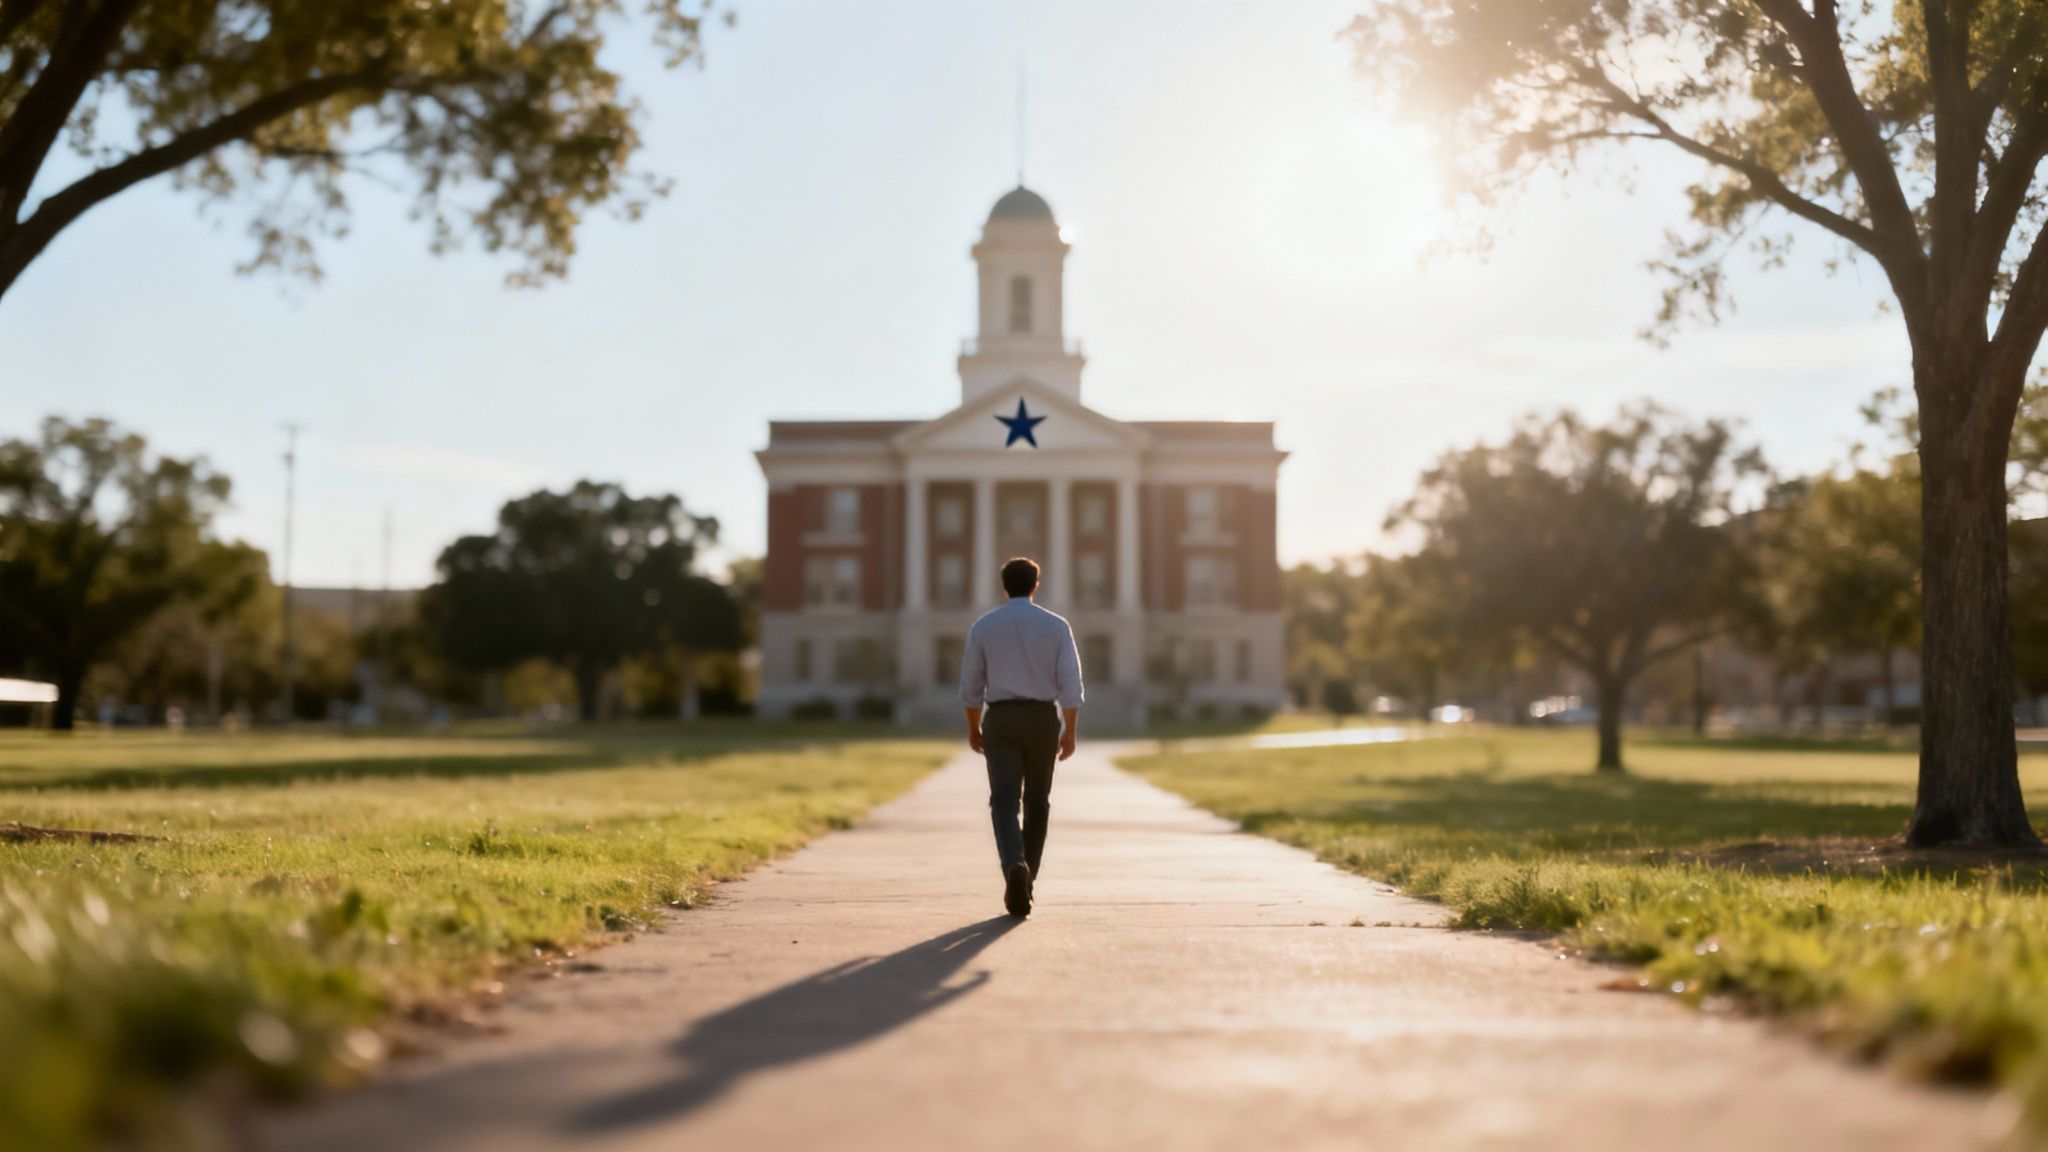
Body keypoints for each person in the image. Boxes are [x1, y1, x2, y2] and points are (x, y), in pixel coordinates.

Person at [959, 556, 1084, 918]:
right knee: (1037, 802)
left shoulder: (984, 626)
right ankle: (1027, 879)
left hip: (1001, 718)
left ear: (1003, 587)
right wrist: (1070, 731)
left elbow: (971, 686)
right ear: (1035, 585)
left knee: (1002, 800)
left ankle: (1014, 864)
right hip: (1043, 719)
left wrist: (973, 728)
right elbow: (1071, 685)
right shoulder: (1057, 626)